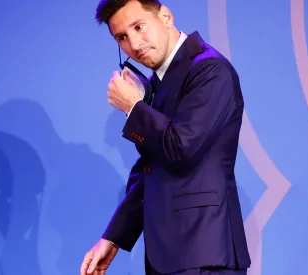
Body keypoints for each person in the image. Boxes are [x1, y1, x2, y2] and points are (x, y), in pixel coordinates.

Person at [80, 0, 251, 274]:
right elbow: (152, 168)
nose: (134, 44)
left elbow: (181, 148)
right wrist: (114, 237)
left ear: (165, 16)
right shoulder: (161, 80)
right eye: (122, 37)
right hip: (172, 254)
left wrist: (134, 108)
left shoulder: (210, 70)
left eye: (138, 27)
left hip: (202, 252)